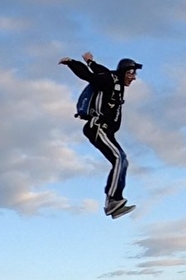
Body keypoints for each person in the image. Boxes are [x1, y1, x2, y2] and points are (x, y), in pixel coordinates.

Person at [61, 52, 142, 219]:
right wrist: (71, 63)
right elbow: (89, 76)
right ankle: (113, 199)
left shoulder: (115, 81)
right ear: (124, 72)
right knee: (119, 158)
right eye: (132, 73)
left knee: (123, 160)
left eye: (135, 74)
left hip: (106, 130)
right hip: (97, 127)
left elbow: (101, 70)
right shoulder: (110, 80)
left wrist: (91, 61)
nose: (134, 78)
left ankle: (113, 202)